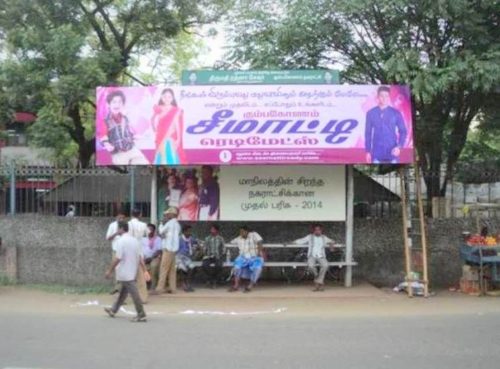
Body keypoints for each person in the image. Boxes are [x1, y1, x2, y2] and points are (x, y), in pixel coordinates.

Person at [104, 221, 147, 322]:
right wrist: (144, 270)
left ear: (121, 229)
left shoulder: (121, 241)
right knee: (123, 292)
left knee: (134, 293)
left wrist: (109, 270)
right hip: (132, 269)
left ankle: (141, 314)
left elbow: (118, 258)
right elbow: (140, 257)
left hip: (124, 271)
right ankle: (113, 310)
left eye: (118, 229)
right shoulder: (135, 240)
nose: (117, 231)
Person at [98, 90, 149, 165]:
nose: (117, 105)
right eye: (114, 102)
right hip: (118, 153)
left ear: (123, 104)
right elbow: (103, 135)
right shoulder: (105, 121)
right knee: (122, 172)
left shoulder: (125, 118)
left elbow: (131, 131)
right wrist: (107, 144)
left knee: (144, 163)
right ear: (109, 104)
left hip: (132, 150)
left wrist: (136, 136)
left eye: (120, 102)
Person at [365, 86, 407, 163]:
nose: (384, 98)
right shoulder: (371, 113)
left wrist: (399, 147)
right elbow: (368, 133)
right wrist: (368, 151)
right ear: (377, 97)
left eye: (386, 96)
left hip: (392, 151)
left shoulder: (396, 113)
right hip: (376, 152)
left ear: (389, 97)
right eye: (382, 96)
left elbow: (403, 131)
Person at [293, 224, 336, 291]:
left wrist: (331, 245)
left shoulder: (324, 237)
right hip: (312, 255)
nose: (317, 231)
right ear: (313, 231)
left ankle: (318, 282)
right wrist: (293, 242)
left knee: (325, 265)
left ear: (321, 231)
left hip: (321, 256)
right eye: (316, 230)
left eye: (319, 230)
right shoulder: (310, 237)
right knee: (310, 266)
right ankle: (318, 278)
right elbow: (301, 240)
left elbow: (332, 241)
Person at [152, 88, 184, 164]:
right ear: (161, 97)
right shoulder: (158, 108)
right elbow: (153, 122)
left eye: (169, 97)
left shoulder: (176, 110)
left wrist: (178, 139)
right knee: (159, 156)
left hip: (169, 137)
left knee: (169, 157)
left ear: (172, 98)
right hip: (159, 136)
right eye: (165, 96)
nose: (167, 99)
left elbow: (177, 124)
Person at [229, 226, 264, 293]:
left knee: (257, 268)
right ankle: (236, 285)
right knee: (237, 267)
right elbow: (231, 242)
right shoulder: (239, 238)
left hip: (254, 256)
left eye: (242, 232)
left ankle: (250, 286)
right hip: (243, 257)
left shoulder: (254, 234)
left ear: (247, 231)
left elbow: (260, 242)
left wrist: (259, 252)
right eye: (240, 232)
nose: (241, 233)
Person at [153, 207, 181, 294]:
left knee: (163, 268)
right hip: (174, 249)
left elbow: (161, 232)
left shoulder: (169, 224)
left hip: (168, 249)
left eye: (168, 214)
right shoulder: (177, 225)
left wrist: (161, 224)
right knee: (172, 270)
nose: (166, 215)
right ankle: (173, 288)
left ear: (172, 214)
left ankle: (159, 288)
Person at [128, 208, 149, 303]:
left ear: (131, 214)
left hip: (129, 251)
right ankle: (143, 297)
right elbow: (149, 234)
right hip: (139, 250)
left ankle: (127, 297)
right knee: (141, 277)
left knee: (129, 276)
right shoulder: (143, 225)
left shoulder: (128, 224)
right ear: (140, 215)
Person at [106, 210, 127, 294]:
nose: (121, 219)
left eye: (123, 218)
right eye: (119, 217)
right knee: (117, 269)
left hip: (125, 251)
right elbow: (108, 238)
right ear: (116, 217)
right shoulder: (112, 225)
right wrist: (116, 233)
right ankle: (117, 287)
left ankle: (120, 289)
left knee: (124, 269)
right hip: (116, 250)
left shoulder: (127, 225)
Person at [202, 224, 225, 289]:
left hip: (218, 256)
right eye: (211, 229)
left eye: (213, 229)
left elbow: (224, 248)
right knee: (204, 265)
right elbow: (205, 248)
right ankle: (212, 279)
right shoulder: (207, 238)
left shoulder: (220, 238)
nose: (211, 230)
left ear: (217, 230)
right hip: (209, 256)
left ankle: (213, 280)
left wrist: (221, 254)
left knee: (219, 266)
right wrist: (205, 254)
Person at [177, 225, 198, 292]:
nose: (190, 233)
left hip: (187, 257)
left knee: (193, 268)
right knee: (181, 268)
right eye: (188, 231)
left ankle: (188, 283)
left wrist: (197, 247)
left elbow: (197, 244)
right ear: (184, 232)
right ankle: (183, 284)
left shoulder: (191, 239)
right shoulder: (179, 238)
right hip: (179, 256)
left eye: (190, 231)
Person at [141, 224, 162, 290]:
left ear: (154, 230)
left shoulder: (158, 239)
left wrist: (151, 258)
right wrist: (143, 259)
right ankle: (145, 284)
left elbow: (159, 251)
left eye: (151, 229)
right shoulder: (143, 239)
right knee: (142, 267)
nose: (149, 231)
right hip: (145, 258)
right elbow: (140, 250)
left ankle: (153, 285)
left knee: (153, 266)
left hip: (154, 258)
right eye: (148, 229)